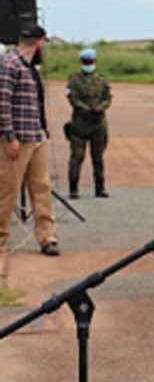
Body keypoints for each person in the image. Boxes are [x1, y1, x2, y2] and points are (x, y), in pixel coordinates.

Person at [0, 24, 60, 257]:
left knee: (41, 188)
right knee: (7, 189)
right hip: (17, 139)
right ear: (41, 42)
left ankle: (47, 237)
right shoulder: (9, 64)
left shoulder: (31, 68)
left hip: (37, 136)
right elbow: (2, 102)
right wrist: (9, 136)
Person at [65, 48, 112, 199]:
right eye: (86, 62)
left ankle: (100, 188)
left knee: (98, 157)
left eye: (90, 62)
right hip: (79, 123)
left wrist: (101, 107)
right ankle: (73, 188)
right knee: (77, 157)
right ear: (82, 62)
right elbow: (72, 98)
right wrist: (86, 108)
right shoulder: (74, 80)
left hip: (98, 124)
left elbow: (108, 98)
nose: (88, 64)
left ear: (95, 61)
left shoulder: (102, 80)